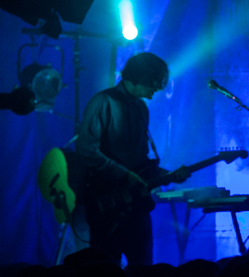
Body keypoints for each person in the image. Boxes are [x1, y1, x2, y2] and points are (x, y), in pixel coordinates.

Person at [76, 52, 190, 265]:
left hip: (135, 206)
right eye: (155, 82)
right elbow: (85, 149)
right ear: (141, 77)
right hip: (107, 205)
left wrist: (169, 175)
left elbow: (141, 161)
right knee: (104, 273)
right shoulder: (103, 101)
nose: (158, 88)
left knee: (143, 271)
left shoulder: (141, 109)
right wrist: (124, 175)